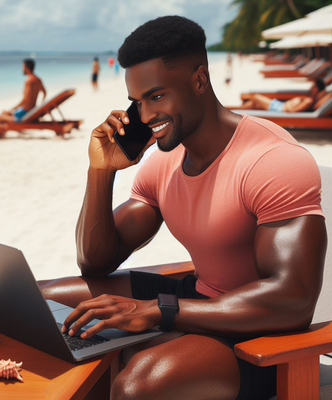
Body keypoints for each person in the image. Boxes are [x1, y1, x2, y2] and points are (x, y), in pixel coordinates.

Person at [39, 16, 326, 400]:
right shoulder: (162, 161)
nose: (143, 117)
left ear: (199, 81)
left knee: (138, 384)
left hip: (260, 337)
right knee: (41, 305)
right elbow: (95, 261)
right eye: (137, 102)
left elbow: (292, 300)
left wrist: (160, 310)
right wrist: (101, 170)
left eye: (156, 97)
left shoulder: (273, 160)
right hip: (194, 300)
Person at [0, 58, 46, 123]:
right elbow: (44, 93)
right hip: (31, 110)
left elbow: (25, 100)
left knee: (1, 116)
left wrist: (12, 109)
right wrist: (39, 106)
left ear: (27, 68)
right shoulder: (38, 79)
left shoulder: (28, 81)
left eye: (23, 67)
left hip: (24, 112)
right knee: (4, 113)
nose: (22, 69)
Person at [239, 78, 326, 112]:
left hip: (279, 108)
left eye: (313, 85)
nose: (311, 86)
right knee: (255, 105)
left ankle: (236, 110)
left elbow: (293, 111)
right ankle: (237, 110)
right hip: (279, 105)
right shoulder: (309, 98)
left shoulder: (309, 101)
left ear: (316, 89)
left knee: (256, 97)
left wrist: (287, 106)